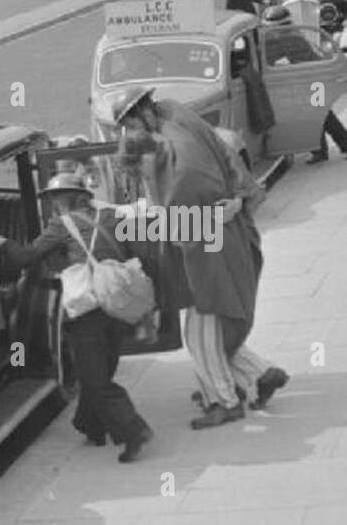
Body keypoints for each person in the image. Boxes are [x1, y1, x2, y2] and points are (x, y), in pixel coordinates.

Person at [109, 85, 288, 428]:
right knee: (214, 327)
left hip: (208, 246)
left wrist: (137, 225)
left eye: (128, 124)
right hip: (219, 235)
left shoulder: (177, 158)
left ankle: (225, 400)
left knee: (202, 331)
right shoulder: (174, 116)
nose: (127, 133)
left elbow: (183, 214)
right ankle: (260, 376)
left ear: (140, 113)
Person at [0, 172, 153, 462]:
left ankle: (133, 430)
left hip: (87, 309)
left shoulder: (61, 224)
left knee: (94, 378)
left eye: (54, 198)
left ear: (64, 200)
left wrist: (0, 241)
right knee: (102, 369)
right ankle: (90, 425)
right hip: (116, 303)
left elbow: (26, 257)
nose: (52, 203)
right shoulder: (111, 216)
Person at [260, 5, 347, 163]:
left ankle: (346, 146)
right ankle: (325, 150)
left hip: (315, 82)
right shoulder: (291, 35)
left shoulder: (289, 38)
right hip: (312, 80)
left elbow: (272, 57)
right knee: (318, 116)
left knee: (322, 116)